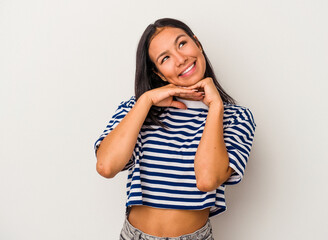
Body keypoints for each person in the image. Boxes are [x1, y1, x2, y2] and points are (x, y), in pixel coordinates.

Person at [94, 18, 256, 240]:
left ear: (197, 44)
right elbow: (106, 166)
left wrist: (216, 106)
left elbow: (207, 179)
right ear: (158, 73)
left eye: (182, 44)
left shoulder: (236, 118)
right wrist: (146, 100)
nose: (180, 59)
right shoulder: (135, 109)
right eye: (165, 58)